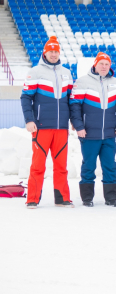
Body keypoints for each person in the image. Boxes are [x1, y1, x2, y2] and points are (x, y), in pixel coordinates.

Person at [21, 36, 74, 209]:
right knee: (38, 166)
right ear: (45, 52)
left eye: (56, 51)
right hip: (41, 126)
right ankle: (32, 199)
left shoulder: (66, 72)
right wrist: (29, 120)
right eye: (51, 51)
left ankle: (62, 198)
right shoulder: (35, 72)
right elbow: (25, 98)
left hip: (61, 128)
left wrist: (73, 120)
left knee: (61, 166)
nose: (53, 54)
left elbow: (71, 100)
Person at [70, 52, 116, 207]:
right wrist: (79, 126)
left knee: (110, 166)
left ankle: (111, 198)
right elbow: (74, 107)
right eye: (101, 63)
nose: (104, 67)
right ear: (95, 64)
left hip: (109, 134)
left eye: (107, 64)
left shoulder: (115, 82)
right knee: (89, 166)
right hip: (88, 134)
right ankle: (87, 198)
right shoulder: (82, 82)